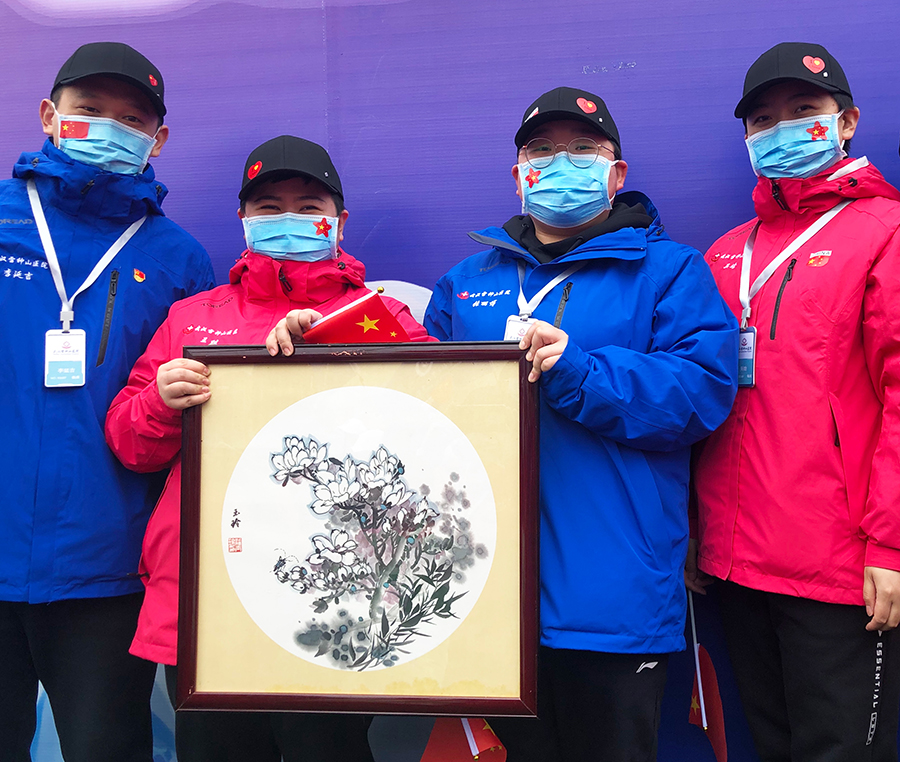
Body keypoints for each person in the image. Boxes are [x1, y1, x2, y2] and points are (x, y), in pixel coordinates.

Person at [423, 86, 738, 762]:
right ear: (518, 175)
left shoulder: (670, 271)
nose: (560, 162)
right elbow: (414, 408)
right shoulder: (464, 281)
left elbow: (701, 394)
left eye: (582, 150)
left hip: (611, 599)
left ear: (615, 172)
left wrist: (580, 373)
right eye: (541, 150)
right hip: (486, 595)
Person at [105, 134, 432, 761]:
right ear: (243, 220)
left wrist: (340, 353)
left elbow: (442, 423)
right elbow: (130, 445)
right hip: (208, 595)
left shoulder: (383, 316)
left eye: (307, 205)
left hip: (336, 593)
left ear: (339, 221)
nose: (288, 219)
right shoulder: (191, 317)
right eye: (268, 207)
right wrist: (159, 402)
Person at [0, 42, 214, 762]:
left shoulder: (179, 258)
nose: (109, 129)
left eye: (132, 120)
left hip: (108, 569)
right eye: (89, 110)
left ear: (158, 138)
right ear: (48, 114)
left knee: (108, 748)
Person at [690, 42, 900, 761]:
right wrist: (696, 533)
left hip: (841, 569)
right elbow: (699, 400)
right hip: (734, 564)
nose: (780, 129)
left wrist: (892, 544)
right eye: (762, 120)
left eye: (803, 110)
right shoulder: (726, 251)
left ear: (847, 122)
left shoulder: (885, 233)